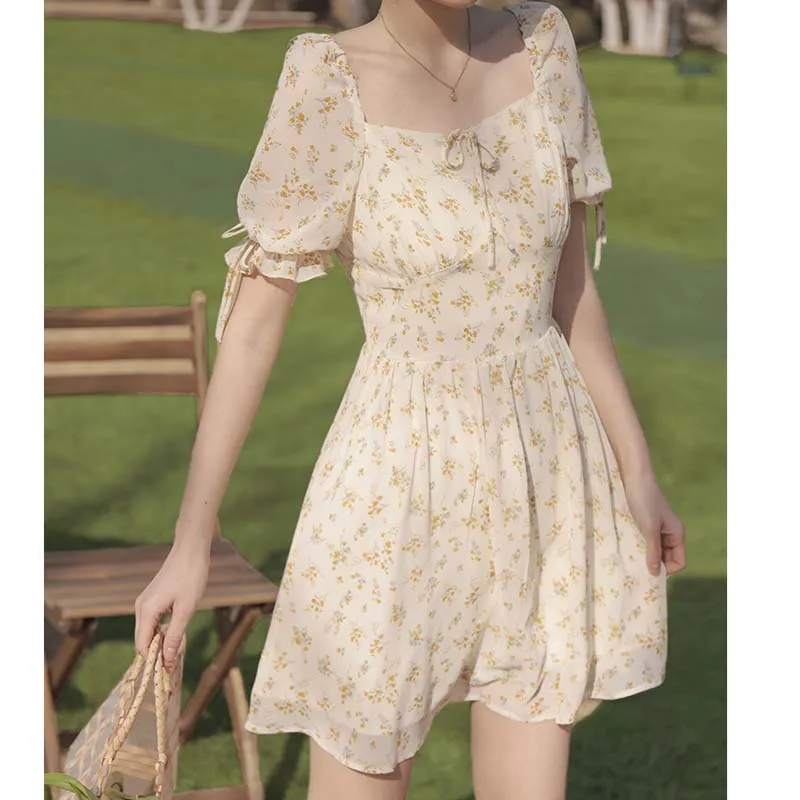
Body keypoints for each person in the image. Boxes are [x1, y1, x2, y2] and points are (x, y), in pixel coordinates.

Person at [134, 2, 687, 798]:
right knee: (366, 761)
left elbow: (569, 286)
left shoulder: (544, 46)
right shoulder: (328, 79)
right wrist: (192, 542)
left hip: (546, 475)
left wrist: (637, 470)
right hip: (396, 485)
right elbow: (254, 327)